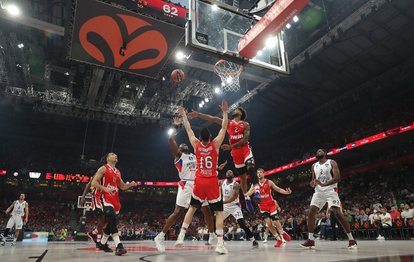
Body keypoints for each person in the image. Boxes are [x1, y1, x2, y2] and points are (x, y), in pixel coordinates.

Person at [174, 100, 229, 254]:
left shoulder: (196, 144)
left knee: (191, 208)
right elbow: (224, 127)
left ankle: (180, 236)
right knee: (218, 212)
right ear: (210, 136)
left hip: (199, 181)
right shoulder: (216, 144)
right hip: (211, 181)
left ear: (200, 137)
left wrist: (184, 114)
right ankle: (220, 244)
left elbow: (188, 129)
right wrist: (225, 112)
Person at [154, 117, 216, 252]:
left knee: (206, 210)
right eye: (181, 145)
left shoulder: (194, 155)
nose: (184, 145)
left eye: (185, 144)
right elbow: (171, 140)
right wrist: (176, 127)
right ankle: (160, 236)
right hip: (186, 184)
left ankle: (212, 235)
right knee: (177, 212)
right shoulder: (179, 156)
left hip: (199, 183)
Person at [189, 107, 261, 209]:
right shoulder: (228, 123)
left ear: (241, 113)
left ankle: (257, 191)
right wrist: (199, 114)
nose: (235, 110)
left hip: (245, 149)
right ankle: (246, 198)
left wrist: (230, 146)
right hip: (236, 153)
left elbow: (245, 139)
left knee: (250, 166)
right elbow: (212, 118)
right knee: (243, 178)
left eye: (237, 109)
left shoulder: (245, 124)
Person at [301, 149, 357, 249]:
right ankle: (310, 240)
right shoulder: (314, 166)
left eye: (320, 151)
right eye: (317, 151)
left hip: (330, 190)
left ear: (324, 153)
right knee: (311, 212)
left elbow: (337, 178)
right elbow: (313, 180)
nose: (318, 152)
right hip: (318, 192)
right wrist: (312, 183)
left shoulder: (331, 162)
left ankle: (352, 240)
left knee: (337, 213)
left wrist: (324, 184)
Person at [92, 152, 137, 256]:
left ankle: (102, 243)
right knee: (112, 217)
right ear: (108, 158)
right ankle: (119, 246)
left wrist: (130, 185)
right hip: (104, 197)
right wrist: (104, 188)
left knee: (112, 221)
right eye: (112, 154)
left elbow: (122, 186)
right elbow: (94, 182)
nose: (115, 155)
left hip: (115, 199)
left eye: (116, 155)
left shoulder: (117, 171)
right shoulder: (103, 168)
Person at [247, 168, 292, 247]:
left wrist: (286, 192)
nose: (259, 174)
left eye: (261, 172)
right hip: (262, 206)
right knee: (268, 223)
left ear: (264, 174)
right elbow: (250, 192)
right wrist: (245, 194)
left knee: (276, 221)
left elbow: (278, 189)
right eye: (258, 173)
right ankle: (278, 239)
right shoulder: (255, 184)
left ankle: (282, 233)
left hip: (271, 204)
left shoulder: (269, 182)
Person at [221, 170, 258, 248]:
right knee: (216, 220)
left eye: (230, 172)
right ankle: (218, 239)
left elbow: (233, 198)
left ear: (233, 175)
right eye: (227, 172)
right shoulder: (222, 182)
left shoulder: (236, 184)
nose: (228, 172)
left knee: (242, 224)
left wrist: (221, 202)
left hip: (234, 206)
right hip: (225, 206)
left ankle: (253, 240)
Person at [80, 177, 106, 248]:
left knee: (109, 218)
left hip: (105, 198)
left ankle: (94, 233)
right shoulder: (100, 172)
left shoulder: (112, 173)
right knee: (101, 217)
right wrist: (83, 197)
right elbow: (89, 184)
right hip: (96, 197)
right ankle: (98, 241)